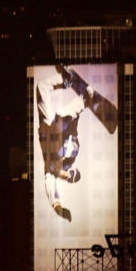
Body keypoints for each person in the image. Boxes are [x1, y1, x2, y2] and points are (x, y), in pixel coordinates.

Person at [36, 65, 117, 222]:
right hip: (59, 127)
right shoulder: (72, 154)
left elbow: (53, 196)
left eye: (67, 178)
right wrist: (79, 110)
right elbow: (74, 133)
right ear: (70, 170)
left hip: (46, 129)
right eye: (69, 175)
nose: (65, 176)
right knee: (62, 119)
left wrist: (60, 210)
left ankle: (68, 81)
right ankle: (84, 96)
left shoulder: (50, 175)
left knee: (41, 88)